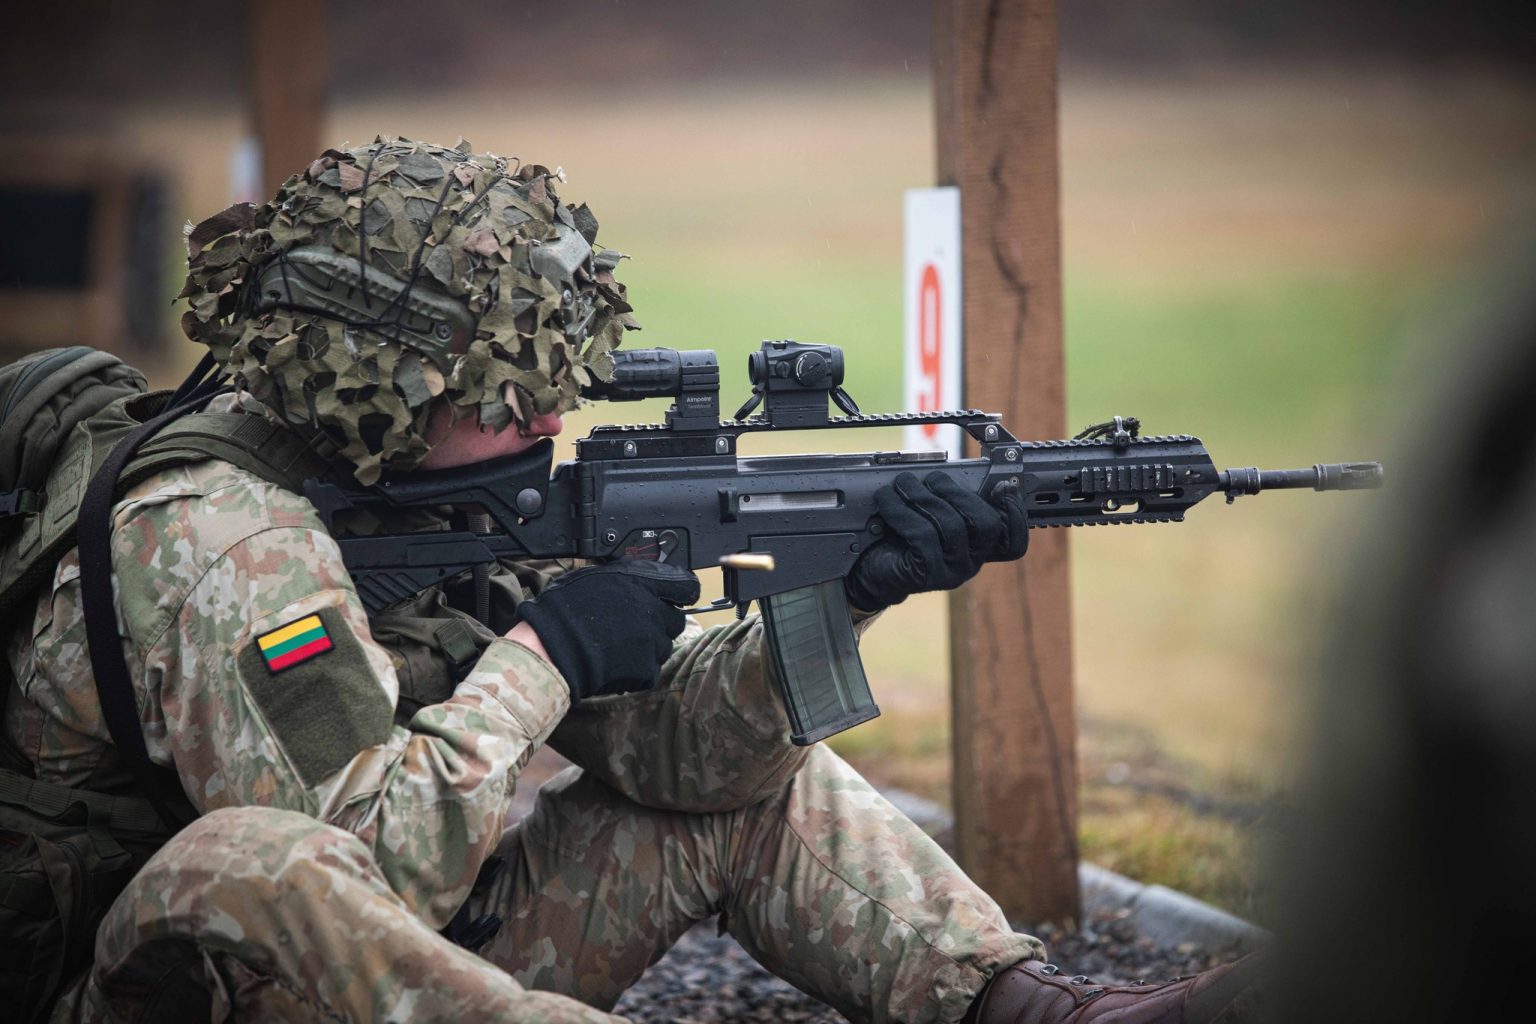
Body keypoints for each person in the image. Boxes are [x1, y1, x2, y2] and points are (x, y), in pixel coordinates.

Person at [2, 138, 1256, 1023]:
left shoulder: (446, 479)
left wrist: (849, 590)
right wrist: (540, 659)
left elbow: (694, 766)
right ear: (386, 392)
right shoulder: (224, 537)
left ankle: (1028, 1009)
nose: (548, 409)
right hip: (170, 980)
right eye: (511, 389)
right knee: (247, 858)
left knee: (764, 784)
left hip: (395, 973)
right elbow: (359, 873)